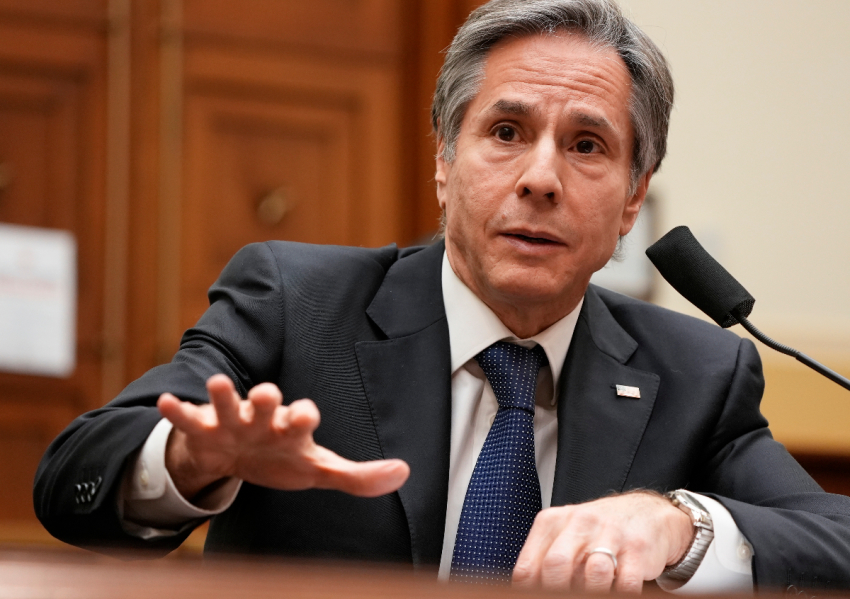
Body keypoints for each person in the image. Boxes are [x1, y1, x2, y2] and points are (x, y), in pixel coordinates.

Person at [34, 0, 850, 594]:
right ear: (443, 163)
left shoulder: (699, 371)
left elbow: (833, 538)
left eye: (587, 145)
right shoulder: (297, 302)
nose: (539, 178)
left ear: (633, 201)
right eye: (505, 132)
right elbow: (73, 479)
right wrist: (191, 461)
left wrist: (681, 521)